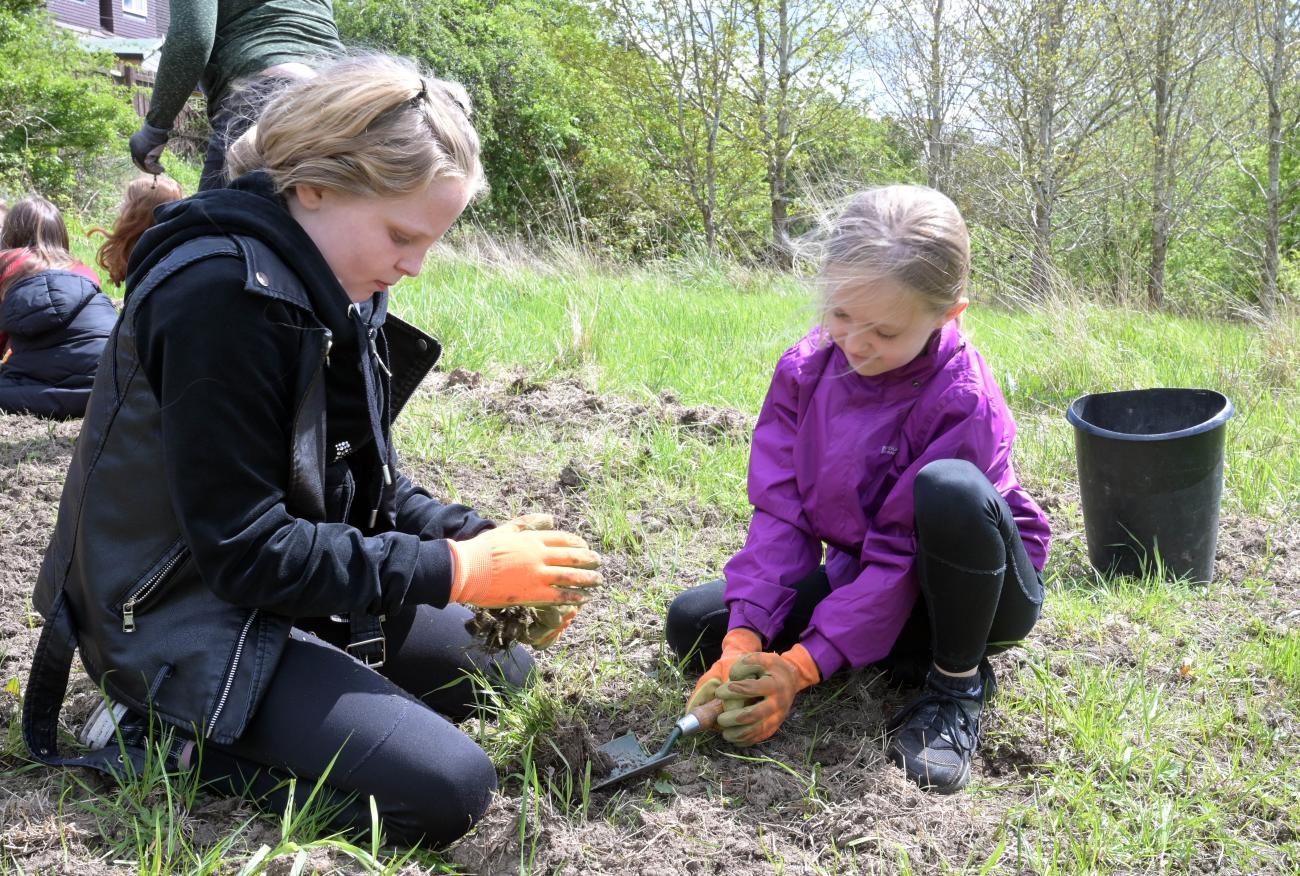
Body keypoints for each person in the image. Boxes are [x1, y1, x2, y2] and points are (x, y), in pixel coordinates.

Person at [26, 55, 602, 848]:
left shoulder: (336, 278)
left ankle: (301, 691)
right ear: (315, 186)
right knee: (447, 794)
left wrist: (483, 542)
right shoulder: (220, 297)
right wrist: (455, 573)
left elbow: (363, 486)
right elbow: (246, 551)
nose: (414, 264)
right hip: (170, 613)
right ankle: (157, 729)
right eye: (403, 235)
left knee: (498, 672)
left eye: (431, 241)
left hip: (269, 588)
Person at [664, 185, 1051, 794]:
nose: (856, 343)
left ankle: (955, 682)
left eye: (886, 331)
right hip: (865, 575)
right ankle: (892, 657)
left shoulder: (961, 399)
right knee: (697, 623)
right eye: (841, 315)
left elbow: (902, 554)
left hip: (972, 591)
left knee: (948, 488)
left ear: (949, 315)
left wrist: (798, 666)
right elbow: (781, 513)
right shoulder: (804, 370)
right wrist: (747, 638)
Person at [129, 0, 344, 191]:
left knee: (208, 231)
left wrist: (153, 130)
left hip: (267, 102)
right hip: (344, 100)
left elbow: (193, 37)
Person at [0, 197, 116, 417]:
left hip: (48, 389)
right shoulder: (85, 272)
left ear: (10, 234)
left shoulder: (6, 263)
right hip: (107, 386)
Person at [89, 176, 185, 286]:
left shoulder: (156, 265)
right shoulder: (149, 253)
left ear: (138, 216)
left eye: (125, 203)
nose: (120, 209)